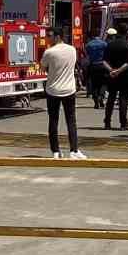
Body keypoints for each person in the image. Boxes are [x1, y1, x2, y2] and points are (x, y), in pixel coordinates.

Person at [41, 27, 85, 158]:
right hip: (69, 89)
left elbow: (43, 68)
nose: (47, 38)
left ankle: (55, 151)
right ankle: (74, 150)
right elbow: (72, 65)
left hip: (53, 90)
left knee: (53, 121)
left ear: (57, 36)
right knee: (71, 120)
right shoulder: (72, 50)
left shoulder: (49, 52)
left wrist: (52, 72)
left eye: (49, 35)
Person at [102, 27, 128, 130]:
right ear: (127, 33)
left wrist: (112, 70)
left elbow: (104, 61)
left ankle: (107, 121)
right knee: (123, 99)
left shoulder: (110, 45)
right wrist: (119, 71)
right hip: (125, 75)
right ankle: (123, 123)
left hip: (112, 75)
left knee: (111, 98)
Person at [84, 32, 109, 108]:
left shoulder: (88, 45)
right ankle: (101, 96)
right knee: (103, 83)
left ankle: (96, 102)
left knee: (94, 84)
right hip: (102, 65)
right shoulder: (104, 44)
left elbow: (87, 55)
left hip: (93, 65)